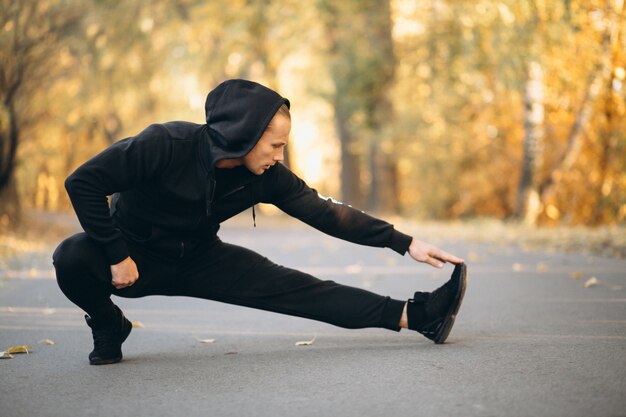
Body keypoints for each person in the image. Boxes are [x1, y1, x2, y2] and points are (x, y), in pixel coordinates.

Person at [53, 79, 467, 365]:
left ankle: (417, 315)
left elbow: (328, 213)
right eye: (275, 145)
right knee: (70, 257)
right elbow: (83, 182)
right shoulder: (166, 144)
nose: (279, 156)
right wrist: (117, 252)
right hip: (131, 257)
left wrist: (404, 241)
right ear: (244, 134)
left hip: (199, 259)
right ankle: (109, 324)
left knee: (298, 288)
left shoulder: (266, 176)